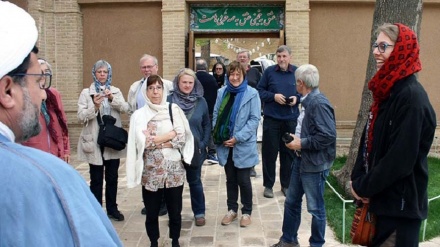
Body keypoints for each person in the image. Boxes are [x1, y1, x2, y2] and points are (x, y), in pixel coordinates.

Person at [0, 2, 122, 246]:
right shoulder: (48, 179)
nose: (43, 94)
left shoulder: (115, 90)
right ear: (7, 90)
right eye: (37, 81)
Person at [350, 23, 436, 247]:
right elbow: (370, 143)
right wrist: (359, 180)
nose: (376, 52)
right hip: (382, 205)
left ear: (401, 51)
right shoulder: (387, 93)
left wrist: (364, 187)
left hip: (399, 211)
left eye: (383, 46)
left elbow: (399, 161)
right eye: (375, 46)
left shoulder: (411, 98)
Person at [271, 64, 336, 247]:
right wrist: (297, 139)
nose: (295, 85)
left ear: (300, 83)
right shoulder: (308, 101)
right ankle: (289, 240)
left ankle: (316, 244)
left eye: (295, 82)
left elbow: (328, 136)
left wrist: (302, 143)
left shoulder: (318, 103)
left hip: (314, 165)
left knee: (315, 209)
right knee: (291, 202)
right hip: (301, 161)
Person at [126, 75, 193, 247]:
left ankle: (175, 241)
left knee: (175, 211)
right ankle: (154, 242)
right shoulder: (139, 116)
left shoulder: (173, 109)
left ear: (164, 90)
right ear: (146, 91)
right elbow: (143, 143)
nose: (155, 91)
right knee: (152, 212)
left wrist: (158, 140)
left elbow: (181, 138)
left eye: (158, 87)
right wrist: (169, 136)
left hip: (174, 171)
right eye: (151, 88)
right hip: (151, 172)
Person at [77, 59, 129, 221]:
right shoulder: (87, 93)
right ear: (94, 73)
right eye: (99, 71)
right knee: (96, 179)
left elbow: (126, 109)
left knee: (112, 178)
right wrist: (95, 106)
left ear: (109, 74)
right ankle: (96, 210)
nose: (102, 74)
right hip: (95, 141)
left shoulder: (115, 91)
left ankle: (112, 209)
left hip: (111, 140)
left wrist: (112, 98)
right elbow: (80, 116)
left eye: (105, 72)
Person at [213, 61, 261, 227]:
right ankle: (232, 210)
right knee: (230, 179)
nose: (234, 78)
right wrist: (218, 134)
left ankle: (246, 212)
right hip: (225, 144)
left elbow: (255, 119)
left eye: (237, 75)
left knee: (244, 180)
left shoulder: (252, 93)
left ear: (243, 76)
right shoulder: (221, 92)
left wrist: (238, 137)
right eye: (231, 74)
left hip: (243, 144)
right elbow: (216, 115)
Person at [127, 54, 172, 215]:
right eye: (144, 67)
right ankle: (149, 202)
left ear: (157, 67)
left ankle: (164, 203)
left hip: (162, 134)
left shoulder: (167, 85)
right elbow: (130, 108)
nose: (146, 70)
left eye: (149, 66)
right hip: (142, 134)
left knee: (162, 169)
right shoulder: (135, 87)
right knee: (145, 168)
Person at [168, 68, 210, 226]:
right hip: (174, 149)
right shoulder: (169, 100)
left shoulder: (201, 101)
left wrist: (204, 143)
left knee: (195, 182)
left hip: (194, 150)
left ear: (195, 83)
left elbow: (206, 124)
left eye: (190, 82)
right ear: (178, 83)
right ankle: (175, 215)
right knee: (174, 185)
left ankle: (199, 212)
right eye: (183, 82)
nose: (187, 85)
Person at [257, 45, 300, 198]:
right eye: (279, 56)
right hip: (272, 120)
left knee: (288, 153)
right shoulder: (269, 72)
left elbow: (303, 91)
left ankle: (286, 185)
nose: (281, 59)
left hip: (290, 120)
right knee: (269, 153)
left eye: (284, 56)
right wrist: (273, 97)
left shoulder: (297, 72)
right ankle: (268, 185)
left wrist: (297, 98)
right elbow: (260, 91)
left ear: (290, 57)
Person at [21, 58, 71, 163]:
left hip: (55, 151)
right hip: (34, 152)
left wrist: (65, 149)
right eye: (40, 72)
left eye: (46, 72)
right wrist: (38, 100)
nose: (43, 75)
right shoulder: (23, 93)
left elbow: (62, 123)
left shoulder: (53, 94)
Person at [237, 50, 262, 177]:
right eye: (240, 57)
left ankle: (251, 166)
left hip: (252, 108)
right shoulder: (234, 72)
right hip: (237, 109)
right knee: (238, 136)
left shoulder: (255, 72)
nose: (242, 59)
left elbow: (261, 88)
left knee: (251, 138)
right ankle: (238, 163)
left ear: (248, 59)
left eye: (244, 57)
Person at [195, 58, 219, 164]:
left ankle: (198, 152)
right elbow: (215, 94)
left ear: (196, 68)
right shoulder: (211, 79)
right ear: (206, 67)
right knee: (208, 131)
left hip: (195, 109)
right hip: (209, 109)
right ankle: (211, 152)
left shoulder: (193, 78)